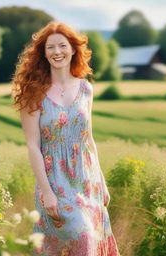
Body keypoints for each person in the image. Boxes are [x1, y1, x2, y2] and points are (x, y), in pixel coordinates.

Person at [12, 21, 120, 256]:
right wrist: (47, 192)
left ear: (73, 49)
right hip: (54, 181)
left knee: (90, 240)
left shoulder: (85, 89)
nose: (57, 52)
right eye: (50, 47)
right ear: (44, 53)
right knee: (81, 235)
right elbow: (33, 146)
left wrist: (101, 180)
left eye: (62, 46)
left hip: (86, 178)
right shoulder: (33, 92)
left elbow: (88, 138)